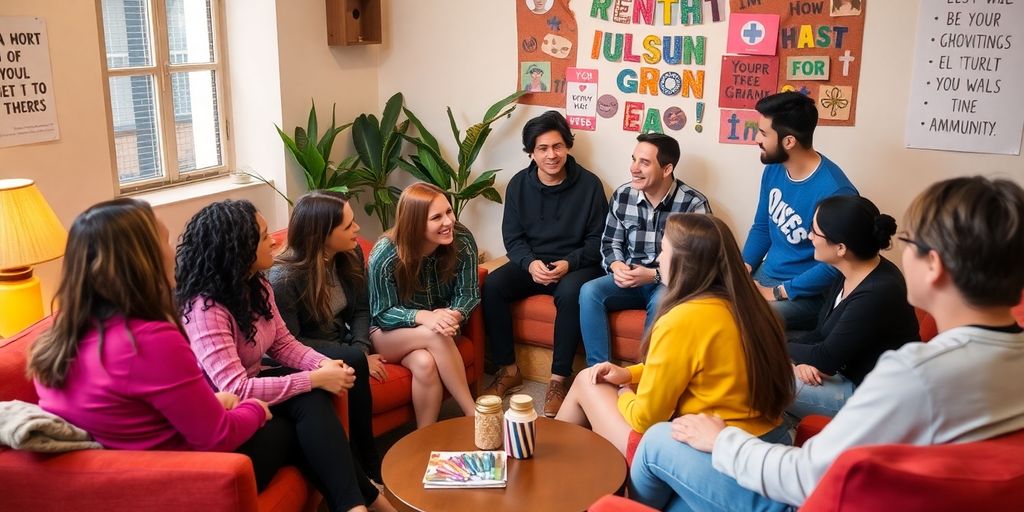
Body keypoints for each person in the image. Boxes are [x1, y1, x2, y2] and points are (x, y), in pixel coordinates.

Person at [629, 176, 1024, 511]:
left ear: (934, 265)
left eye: (909, 243)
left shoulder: (915, 374)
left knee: (661, 439)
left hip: (799, 497)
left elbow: (804, 478)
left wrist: (721, 439)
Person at [29, 199, 279, 488]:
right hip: (175, 479)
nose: (174, 253)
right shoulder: (149, 341)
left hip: (112, 480)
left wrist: (216, 404)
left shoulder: (56, 341)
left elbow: (134, 413)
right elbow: (217, 436)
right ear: (141, 259)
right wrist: (256, 409)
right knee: (284, 424)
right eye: (166, 241)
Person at [176, 199, 394, 512]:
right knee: (307, 415)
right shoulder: (205, 309)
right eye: (264, 236)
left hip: (256, 394)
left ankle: (360, 506)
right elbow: (234, 390)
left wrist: (319, 363)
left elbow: (283, 343)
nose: (275, 240)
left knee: (313, 404)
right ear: (240, 248)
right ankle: (367, 502)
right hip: (226, 418)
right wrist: (313, 377)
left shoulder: (257, 284)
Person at [556, 213, 794, 456]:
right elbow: (689, 368)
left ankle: (551, 465)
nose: (658, 259)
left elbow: (644, 419)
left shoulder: (681, 320)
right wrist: (628, 373)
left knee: (587, 381)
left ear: (684, 263)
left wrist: (623, 392)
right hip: (767, 442)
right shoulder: (755, 309)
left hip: (710, 454)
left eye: (662, 250)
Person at [482, 111, 608, 417]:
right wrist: (529, 264)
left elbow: (597, 242)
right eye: (543, 148)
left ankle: (557, 381)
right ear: (531, 153)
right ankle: (509, 369)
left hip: (577, 264)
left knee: (570, 294)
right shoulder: (518, 186)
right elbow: (513, 239)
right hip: (534, 262)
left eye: (557, 146)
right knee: (494, 285)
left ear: (567, 146)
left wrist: (569, 262)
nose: (552, 155)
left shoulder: (590, 186)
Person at [268, 191, 383, 482]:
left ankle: (366, 461)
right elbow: (288, 342)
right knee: (354, 358)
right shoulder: (285, 279)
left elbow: (360, 309)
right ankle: (369, 462)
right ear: (322, 235)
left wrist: (360, 348)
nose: (357, 229)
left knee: (356, 356)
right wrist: (353, 355)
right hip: (301, 352)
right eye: (348, 226)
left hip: (342, 341)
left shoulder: (350, 253)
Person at [579, 132, 711, 367]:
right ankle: (599, 373)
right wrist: (617, 266)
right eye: (633, 159)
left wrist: (654, 275)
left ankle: (647, 378)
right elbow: (610, 242)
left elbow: (699, 264)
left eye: (644, 162)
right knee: (589, 291)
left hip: (669, 283)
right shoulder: (623, 195)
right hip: (629, 278)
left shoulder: (693, 204)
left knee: (661, 301)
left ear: (667, 168)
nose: (634, 168)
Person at [788, 195, 918, 420]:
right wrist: (796, 360)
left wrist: (774, 350)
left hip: (872, 399)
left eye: (815, 231)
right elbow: (821, 334)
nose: (809, 236)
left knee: (759, 375)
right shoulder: (852, 270)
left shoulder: (878, 292)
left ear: (840, 248)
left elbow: (826, 358)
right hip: (845, 370)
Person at [743, 91, 858, 332]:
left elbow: (837, 263)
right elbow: (762, 227)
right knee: (710, 306)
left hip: (807, 293)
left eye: (763, 133)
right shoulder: (774, 169)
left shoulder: (836, 191)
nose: (757, 138)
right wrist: (744, 267)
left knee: (745, 322)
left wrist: (776, 292)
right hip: (768, 273)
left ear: (789, 142)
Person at [367, 183, 479, 427]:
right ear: (415, 223)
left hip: (445, 328)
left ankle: (423, 437)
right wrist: (425, 317)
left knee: (424, 363)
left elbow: (468, 294)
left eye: (449, 212)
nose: (448, 222)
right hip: (388, 334)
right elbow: (382, 313)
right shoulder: (386, 254)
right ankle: (473, 414)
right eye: (436, 217)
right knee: (434, 333)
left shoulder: (462, 239)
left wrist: (453, 315)